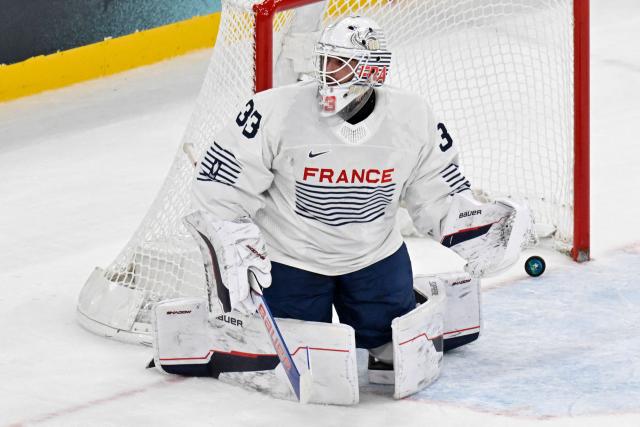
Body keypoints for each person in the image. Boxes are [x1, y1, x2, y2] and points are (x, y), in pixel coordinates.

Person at [191, 15, 525, 373]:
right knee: (301, 358)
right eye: (324, 60)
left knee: (389, 354)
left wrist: (467, 228)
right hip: (291, 259)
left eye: (340, 63)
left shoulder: (412, 116)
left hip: (374, 258)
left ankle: (410, 304)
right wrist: (230, 234)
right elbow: (220, 180)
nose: (326, 72)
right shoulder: (274, 110)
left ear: (373, 71)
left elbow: (436, 190)